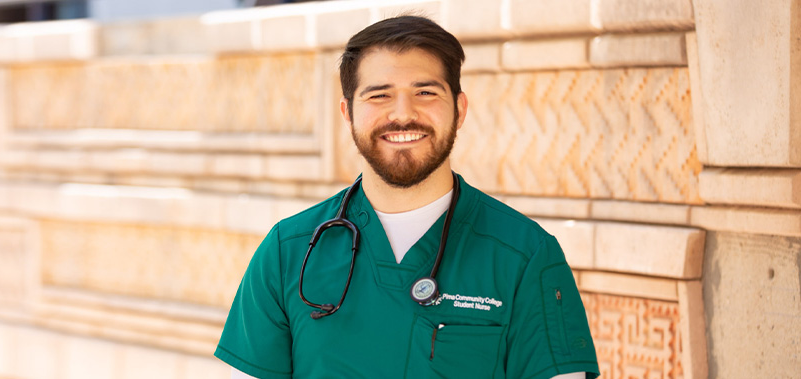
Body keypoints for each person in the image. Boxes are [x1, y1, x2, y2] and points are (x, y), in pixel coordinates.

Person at [214, 15, 600, 379]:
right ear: (347, 113)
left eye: (425, 92)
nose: (403, 114)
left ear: (459, 109)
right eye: (379, 95)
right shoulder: (288, 251)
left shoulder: (524, 255)